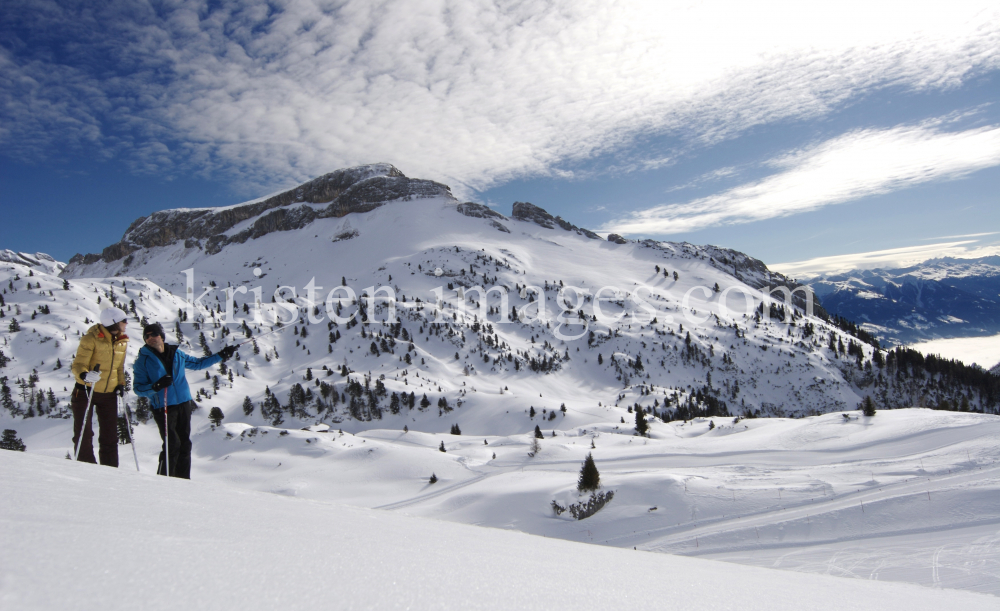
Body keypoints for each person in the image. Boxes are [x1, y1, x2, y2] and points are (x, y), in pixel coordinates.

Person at [132, 322, 236, 478]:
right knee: (172, 445)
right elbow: (138, 388)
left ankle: (183, 482)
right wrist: (156, 386)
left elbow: (198, 364)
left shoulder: (177, 354)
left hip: (183, 404)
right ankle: (163, 479)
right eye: (147, 336)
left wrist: (221, 354)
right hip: (164, 407)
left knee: (185, 444)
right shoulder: (143, 361)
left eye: (154, 334)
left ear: (161, 335)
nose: (151, 338)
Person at [70, 307, 130, 467]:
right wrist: (84, 375)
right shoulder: (90, 339)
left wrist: (121, 384)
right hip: (85, 391)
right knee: (84, 434)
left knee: (110, 436)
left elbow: (119, 367)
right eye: (124, 320)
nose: (126, 323)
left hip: (108, 394)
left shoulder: (122, 341)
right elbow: (78, 364)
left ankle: (110, 471)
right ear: (114, 322)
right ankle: (86, 468)